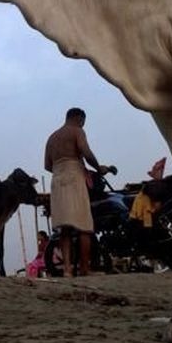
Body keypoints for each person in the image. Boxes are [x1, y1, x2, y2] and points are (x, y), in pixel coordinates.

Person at [44, 107, 111, 277]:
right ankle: (85, 269)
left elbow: (47, 165)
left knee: (65, 228)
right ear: (79, 118)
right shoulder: (76, 131)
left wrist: (61, 168)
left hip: (57, 180)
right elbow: (86, 152)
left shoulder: (52, 137)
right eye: (83, 122)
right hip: (74, 177)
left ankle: (67, 269)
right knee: (84, 225)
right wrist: (98, 168)